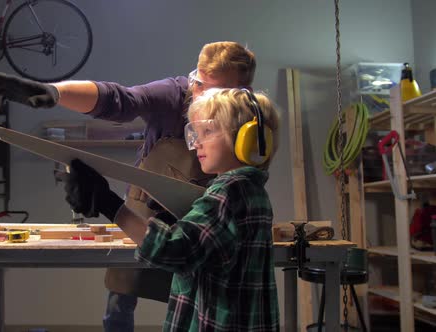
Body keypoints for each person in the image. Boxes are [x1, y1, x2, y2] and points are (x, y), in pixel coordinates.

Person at [0, 41, 257, 331]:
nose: (200, 95)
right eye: (198, 83)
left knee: (193, 301)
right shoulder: (175, 94)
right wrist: (57, 93)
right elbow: (121, 99)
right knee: (119, 302)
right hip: (144, 209)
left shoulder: (244, 122)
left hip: (198, 216)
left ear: (242, 94)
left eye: (214, 91)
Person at [57, 87, 281, 331]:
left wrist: (108, 203)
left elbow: (173, 251)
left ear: (245, 139)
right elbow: (208, 250)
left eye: (207, 131)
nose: (196, 144)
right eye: (195, 133)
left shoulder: (228, 192)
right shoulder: (251, 189)